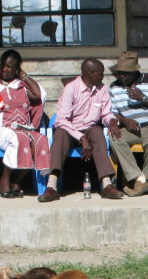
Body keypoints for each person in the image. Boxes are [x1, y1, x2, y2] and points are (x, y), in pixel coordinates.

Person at [39, 58, 123, 202]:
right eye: (101, 74)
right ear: (90, 73)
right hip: (70, 130)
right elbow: (62, 120)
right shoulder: (71, 89)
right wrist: (81, 137)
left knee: (97, 131)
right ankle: (51, 186)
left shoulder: (102, 89)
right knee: (59, 133)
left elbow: (105, 114)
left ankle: (107, 185)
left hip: (90, 129)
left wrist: (112, 120)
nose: (103, 77)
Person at [0, 50, 50, 198]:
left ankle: (16, 180)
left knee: (41, 140)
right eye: (2, 65)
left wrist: (23, 75)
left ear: (17, 69)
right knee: (18, 138)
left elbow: (39, 95)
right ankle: (4, 180)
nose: (4, 69)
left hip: (22, 128)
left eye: (9, 67)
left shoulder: (21, 86)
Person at [108, 51, 148, 197]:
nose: (122, 76)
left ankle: (145, 178)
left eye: (126, 73)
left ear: (135, 71)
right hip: (130, 128)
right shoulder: (114, 87)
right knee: (115, 138)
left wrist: (143, 98)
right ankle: (140, 179)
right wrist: (124, 120)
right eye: (120, 72)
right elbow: (112, 111)